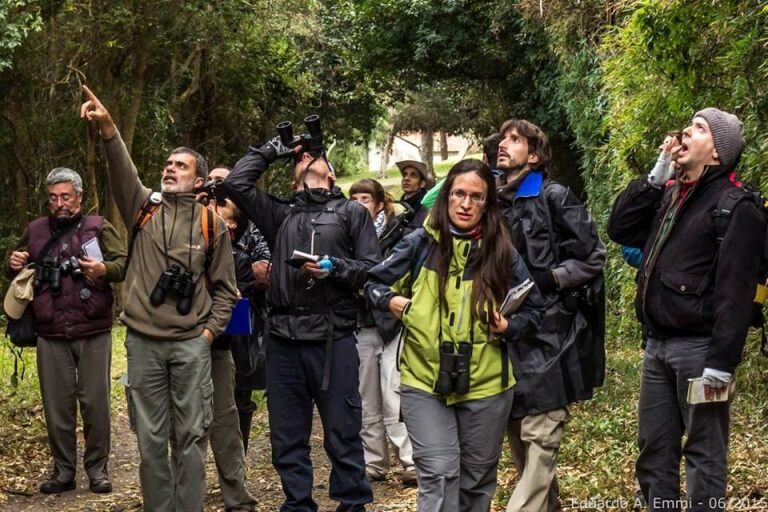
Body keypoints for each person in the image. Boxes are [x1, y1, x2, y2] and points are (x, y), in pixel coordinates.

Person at [80, 85, 238, 512]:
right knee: (150, 442)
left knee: (190, 438)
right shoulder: (143, 208)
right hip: (143, 343)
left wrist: (206, 334)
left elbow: (227, 291)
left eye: (181, 166)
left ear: (199, 180)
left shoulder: (212, 226)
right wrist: (109, 128)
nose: (170, 169)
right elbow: (122, 170)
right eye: (168, 164)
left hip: (191, 345)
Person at [607, 108, 766, 512]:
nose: (685, 132)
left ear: (718, 152)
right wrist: (657, 172)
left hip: (700, 351)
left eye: (699, 128)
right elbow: (620, 228)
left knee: (704, 452)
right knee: (654, 449)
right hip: (657, 346)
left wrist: (721, 362)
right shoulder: (670, 193)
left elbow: (737, 292)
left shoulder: (737, 206)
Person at [366, 159, 545, 512]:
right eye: (459, 194)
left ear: (487, 204)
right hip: (423, 382)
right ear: (447, 196)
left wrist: (509, 327)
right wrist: (395, 302)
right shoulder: (420, 244)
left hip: (488, 385)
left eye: (476, 197)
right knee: (439, 475)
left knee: (476, 482)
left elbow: (535, 312)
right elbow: (373, 283)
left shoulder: (502, 251)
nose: (466, 203)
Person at [221, 131, 379, 511]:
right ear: (294, 179)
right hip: (283, 338)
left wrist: (335, 268)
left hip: (333, 336)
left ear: (332, 173)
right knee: (287, 432)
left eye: (316, 157)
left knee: (342, 427)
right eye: (302, 160)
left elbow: (374, 269)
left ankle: (352, 501)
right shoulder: (281, 214)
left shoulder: (352, 212)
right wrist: (275, 149)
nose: (309, 159)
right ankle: (298, 502)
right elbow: (236, 182)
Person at [495, 119, 606, 512]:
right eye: (503, 139)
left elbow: (593, 257)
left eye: (515, 139)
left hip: (551, 338)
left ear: (535, 155)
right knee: (523, 450)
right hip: (506, 337)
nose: (503, 145)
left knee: (540, 442)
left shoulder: (553, 195)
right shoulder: (491, 200)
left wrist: (550, 279)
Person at [6, 168, 126, 495]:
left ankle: (98, 470)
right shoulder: (35, 230)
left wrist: (103, 269)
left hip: (93, 328)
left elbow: (122, 264)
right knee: (57, 407)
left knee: (95, 404)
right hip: (50, 330)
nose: (59, 203)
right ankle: (63, 472)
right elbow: (14, 265)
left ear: (79, 197)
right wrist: (13, 261)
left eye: (66, 197)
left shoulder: (99, 226)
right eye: (53, 197)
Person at [194, 165, 258, 512]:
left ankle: (237, 495)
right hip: (179, 346)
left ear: (232, 226)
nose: (212, 212)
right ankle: (186, 493)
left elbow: (235, 308)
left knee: (225, 422)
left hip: (217, 349)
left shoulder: (240, 259)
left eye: (221, 210)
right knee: (184, 425)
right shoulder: (182, 243)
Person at [349, 178, 416, 486]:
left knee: (395, 393)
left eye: (366, 197)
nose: (360, 203)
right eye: (355, 197)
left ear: (379, 203)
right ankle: (373, 462)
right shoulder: (344, 233)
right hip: (359, 323)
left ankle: (411, 462)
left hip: (392, 324)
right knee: (366, 397)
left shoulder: (397, 232)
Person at [397, 160, 433, 229]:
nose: (406, 178)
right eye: (404, 174)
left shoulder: (425, 204)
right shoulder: (401, 201)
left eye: (413, 175)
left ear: (422, 184)